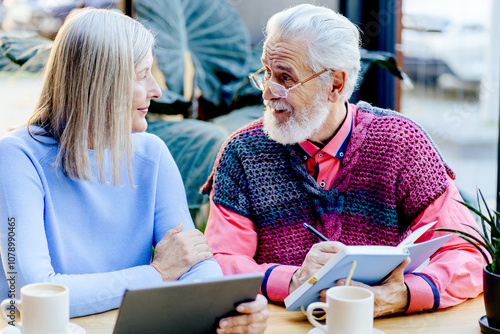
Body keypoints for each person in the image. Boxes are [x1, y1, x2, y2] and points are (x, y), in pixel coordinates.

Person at [202, 4, 484, 317]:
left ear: (336, 84)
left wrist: (402, 295)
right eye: (266, 73)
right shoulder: (242, 151)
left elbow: (467, 251)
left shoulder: (401, 142)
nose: (268, 92)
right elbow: (220, 260)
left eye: (284, 76)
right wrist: (292, 279)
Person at [0, 8, 267, 333]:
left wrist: (229, 307)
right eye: (142, 74)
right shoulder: (17, 156)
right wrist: (155, 275)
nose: (156, 89)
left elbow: (192, 262)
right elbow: (32, 293)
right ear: (101, 83)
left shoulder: (151, 153)